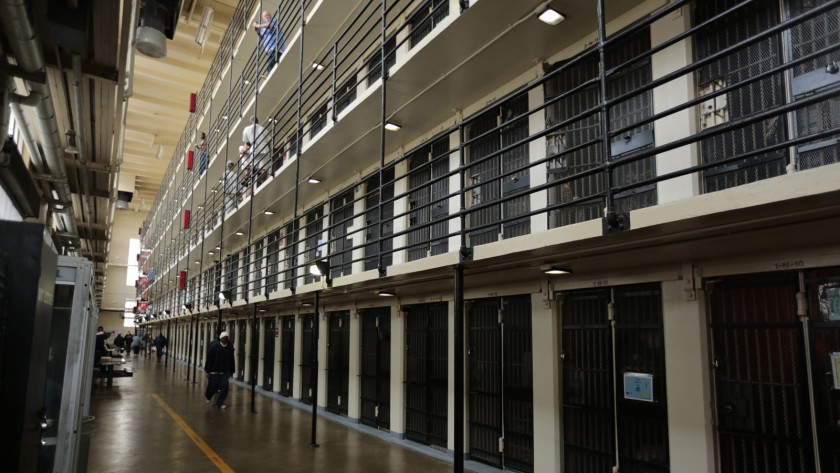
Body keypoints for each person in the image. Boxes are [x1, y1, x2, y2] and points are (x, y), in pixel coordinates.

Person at [204, 331, 235, 409]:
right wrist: (207, 371)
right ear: (220, 339)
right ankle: (208, 396)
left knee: (225, 388)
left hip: (224, 371)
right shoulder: (214, 347)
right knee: (213, 386)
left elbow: (232, 360)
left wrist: (231, 371)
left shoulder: (229, 348)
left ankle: (219, 403)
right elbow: (209, 360)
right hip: (214, 371)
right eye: (224, 339)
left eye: (227, 339)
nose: (225, 340)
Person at [242, 116, 269, 185]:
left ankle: (247, 179)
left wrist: (243, 151)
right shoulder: (264, 129)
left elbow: (247, 143)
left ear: (251, 121)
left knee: (249, 165)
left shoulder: (247, 129)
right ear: (258, 121)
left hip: (254, 150)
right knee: (264, 170)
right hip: (265, 150)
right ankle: (263, 182)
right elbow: (269, 141)